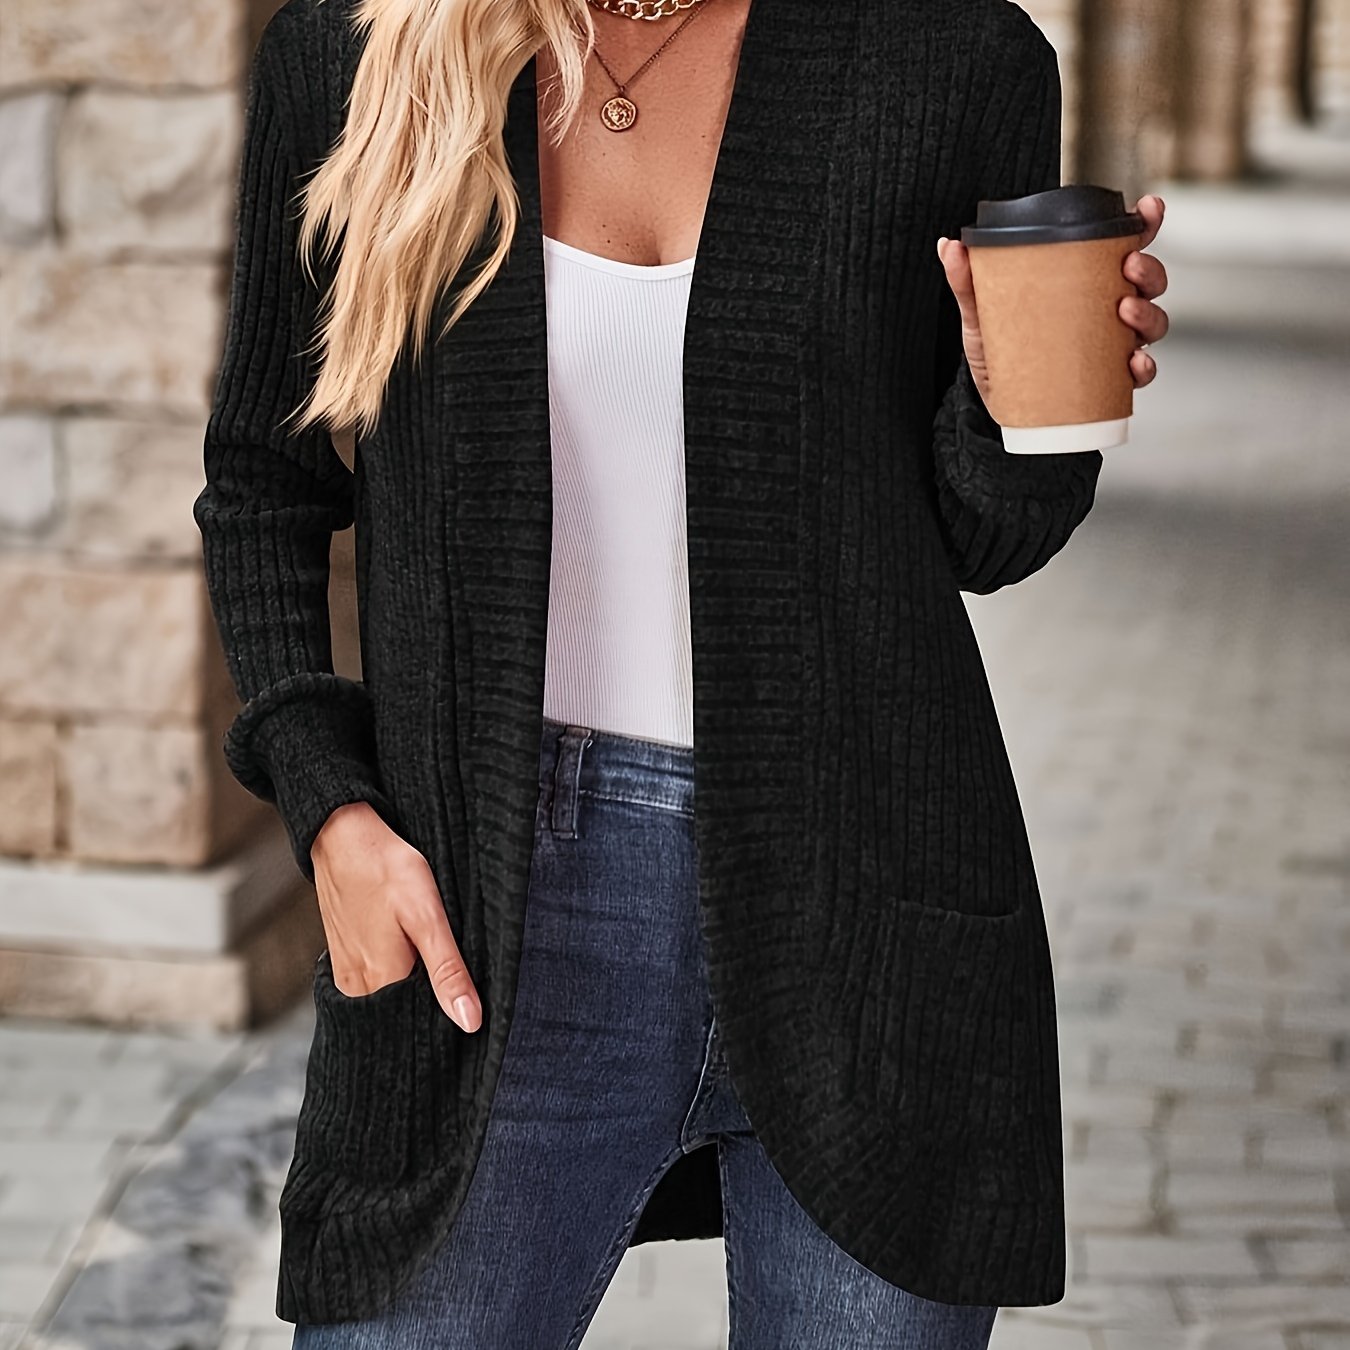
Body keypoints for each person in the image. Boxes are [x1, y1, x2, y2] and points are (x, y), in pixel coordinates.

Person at [195, 0, 1170, 1344]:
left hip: (870, 912)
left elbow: (981, 535)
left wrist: (1029, 407)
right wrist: (332, 815)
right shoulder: (364, 51)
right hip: (495, 918)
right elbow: (262, 481)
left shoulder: (948, 58)